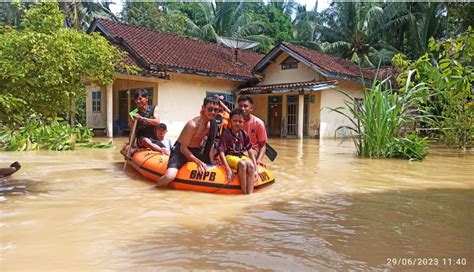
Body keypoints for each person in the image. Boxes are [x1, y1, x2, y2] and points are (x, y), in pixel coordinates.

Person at [155, 96, 220, 188]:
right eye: (209, 109)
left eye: (216, 110)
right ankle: (154, 189)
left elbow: (210, 143)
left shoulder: (211, 125)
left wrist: (212, 159)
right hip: (180, 151)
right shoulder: (192, 125)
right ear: (203, 108)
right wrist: (197, 161)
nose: (213, 112)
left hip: (196, 151)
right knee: (170, 176)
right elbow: (183, 148)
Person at [218, 108, 258, 194]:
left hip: (240, 156)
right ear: (230, 121)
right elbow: (221, 152)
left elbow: (250, 152)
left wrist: (256, 169)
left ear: (243, 122)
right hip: (229, 156)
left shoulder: (244, 134)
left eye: (240, 121)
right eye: (235, 121)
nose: (237, 123)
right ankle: (244, 192)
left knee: (250, 165)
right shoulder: (226, 134)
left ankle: (249, 193)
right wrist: (228, 169)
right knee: (243, 164)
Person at [238, 95, 267, 165]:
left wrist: (259, 160)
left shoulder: (259, 123)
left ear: (251, 108)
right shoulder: (235, 121)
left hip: (252, 150)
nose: (242, 108)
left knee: (241, 155)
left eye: (245, 106)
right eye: (240, 106)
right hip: (237, 148)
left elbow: (263, 145)